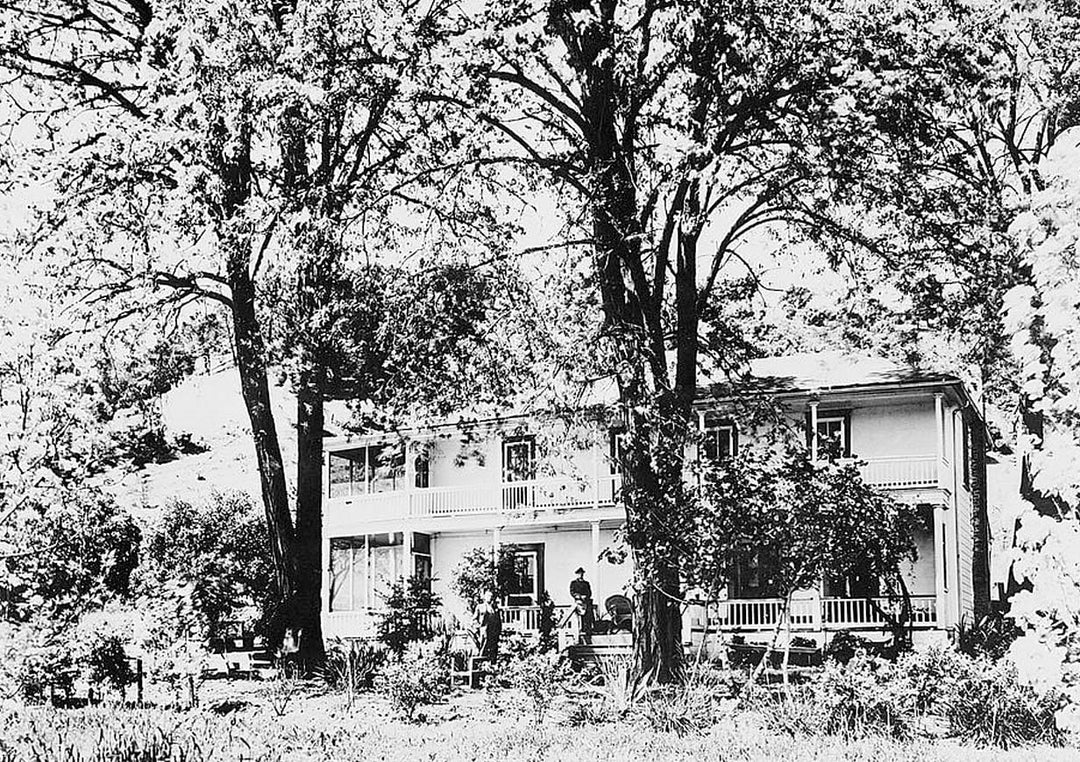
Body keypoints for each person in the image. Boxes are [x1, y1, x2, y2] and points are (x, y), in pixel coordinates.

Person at [569, 567, 594, 643]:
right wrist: (579, 596)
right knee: (579, 617)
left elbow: (589, 592)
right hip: (578, 602)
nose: (580, 575)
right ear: (576, 574)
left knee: (588, 617)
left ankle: (588, 631)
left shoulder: (586, 583)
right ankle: (580, 630)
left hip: (586, 602)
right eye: (579, 574)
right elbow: (572, 592)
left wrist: (586, 596)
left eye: (582, 574)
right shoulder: (574, 583)